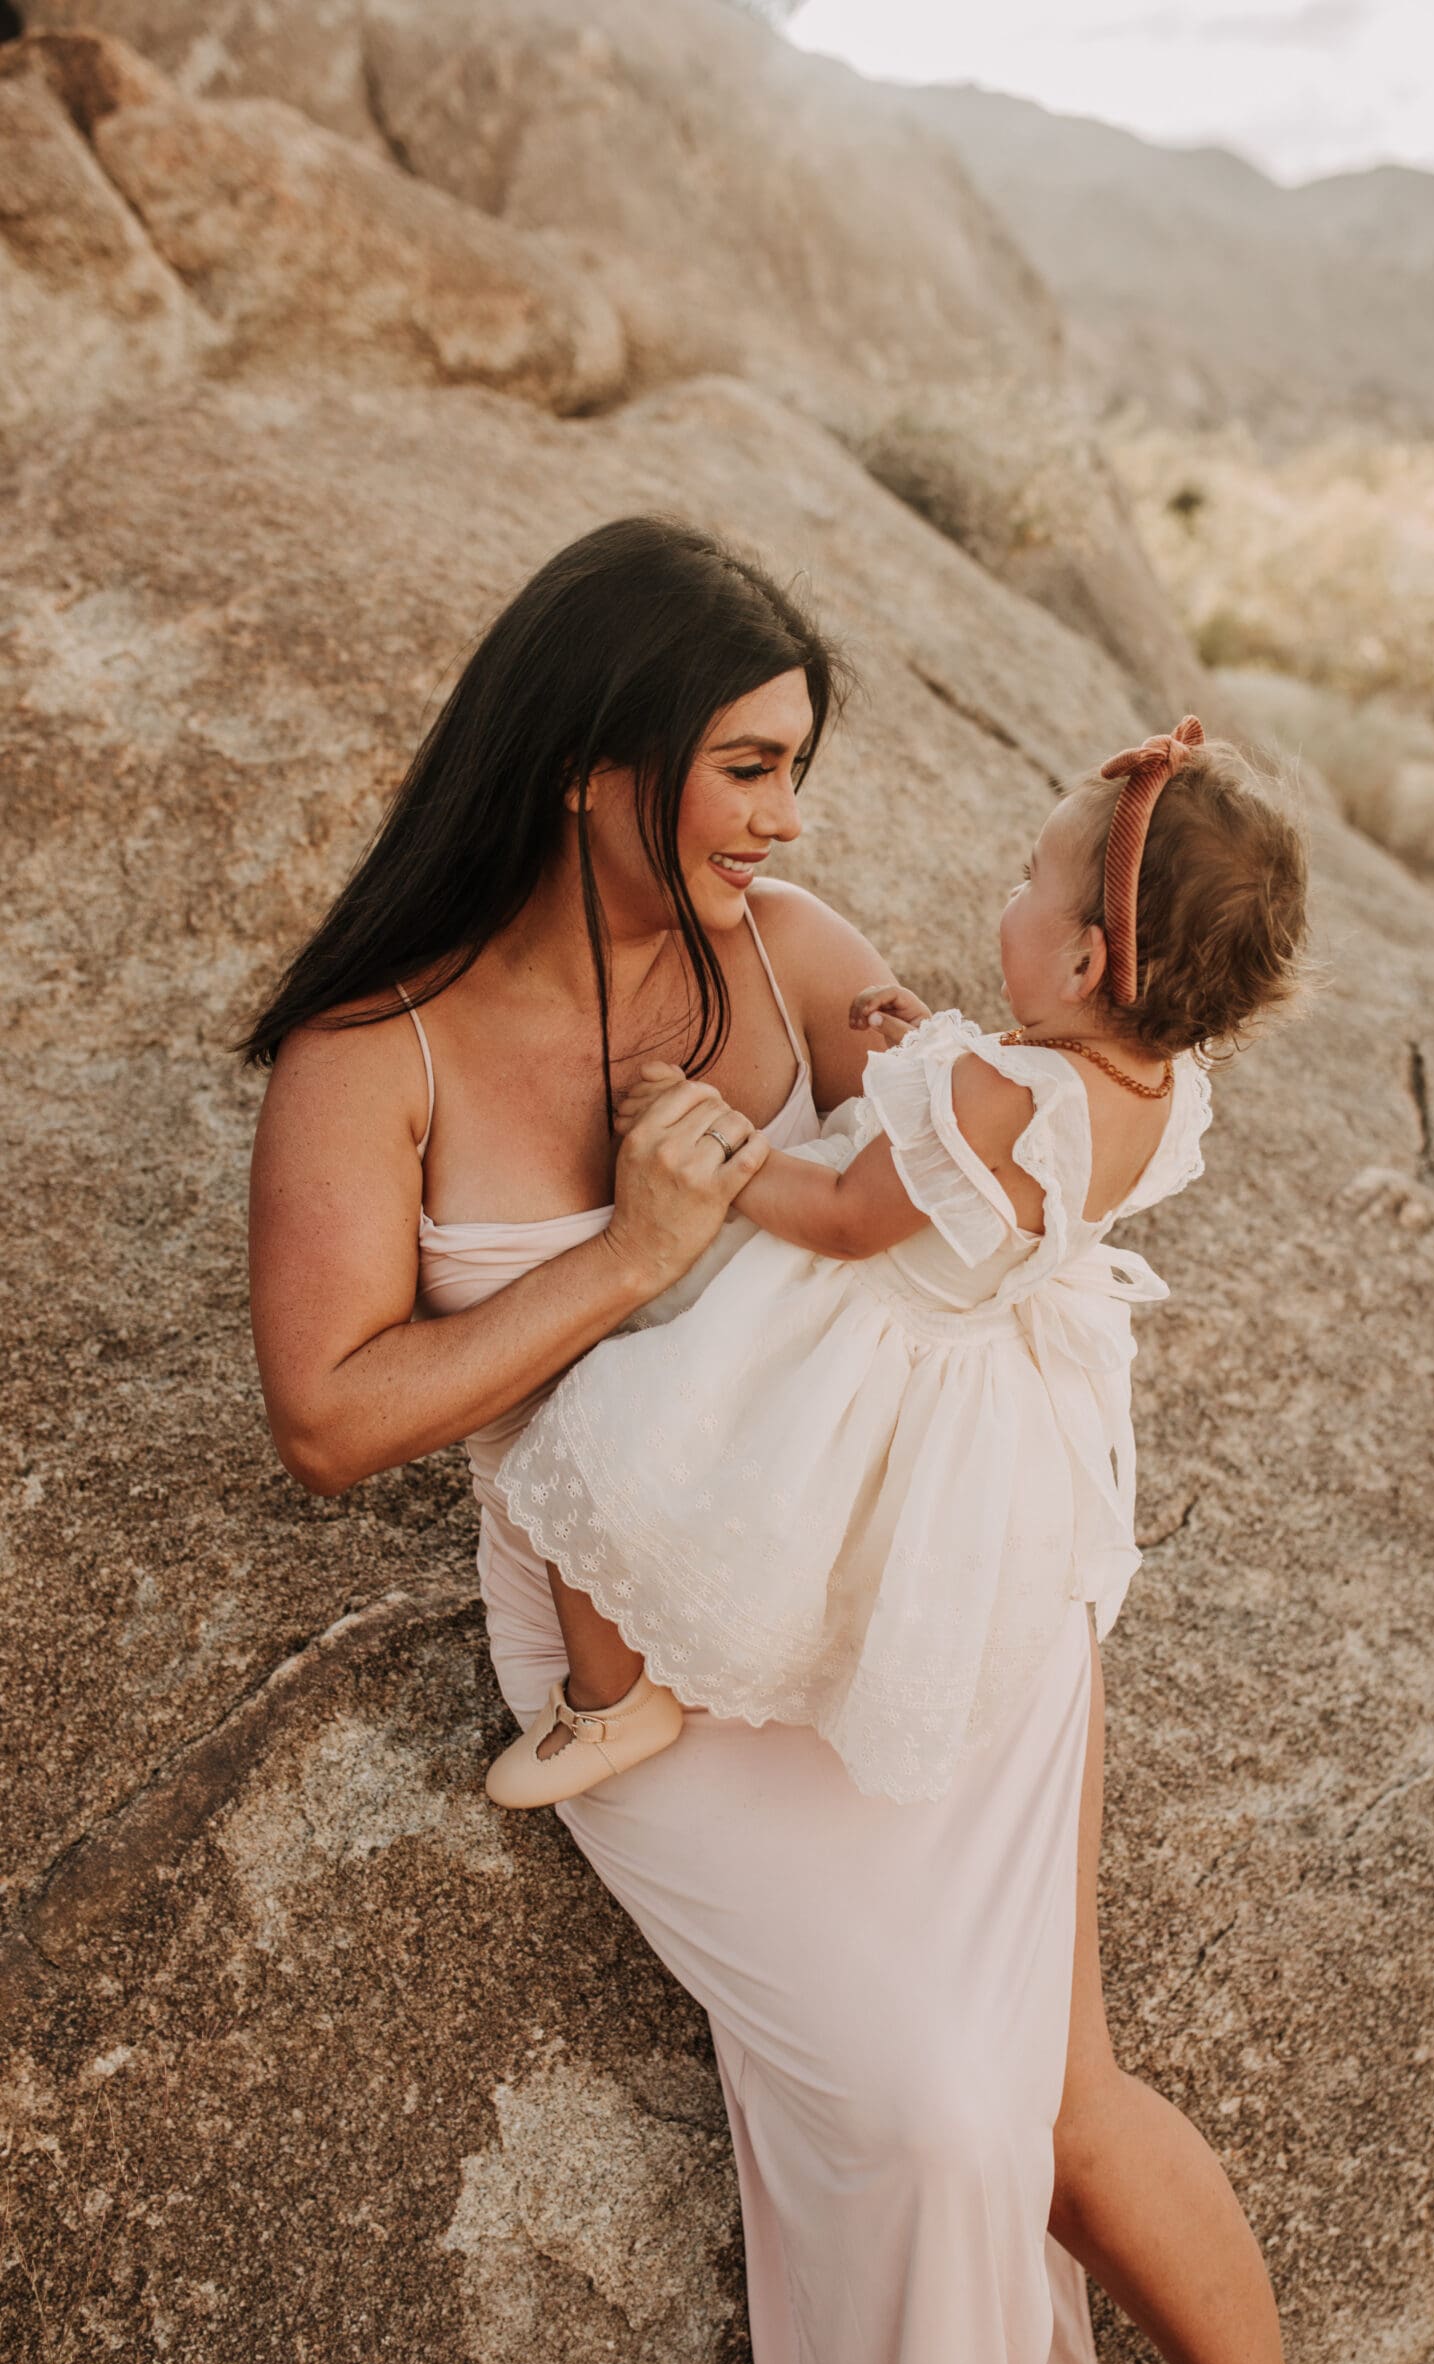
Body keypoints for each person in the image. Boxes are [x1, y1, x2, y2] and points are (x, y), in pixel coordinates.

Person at [247, 516, 1347, 2364]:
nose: (789, 812)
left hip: (908, 1582)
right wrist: (626, 1261)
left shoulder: (779, 944)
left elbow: (963, 1151)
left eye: (791, 762)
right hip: (645, 1628)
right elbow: (327, 1416)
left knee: (1028, 2096)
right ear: (595, 759)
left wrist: (933, 1114)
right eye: (747, 765)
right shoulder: (368, 1052)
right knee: (933, 2112)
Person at [487, 722, 1236, 1818]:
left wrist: (720, 1145)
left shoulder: (995, 1092)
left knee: (609, 1430)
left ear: (1083, 959)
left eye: (1029, 881)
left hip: (859, 1326)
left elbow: (844, 1218)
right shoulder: (1157, 1087)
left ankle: (611, 1701)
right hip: (970, 1359)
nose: (1011, 893)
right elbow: (1031, 1140)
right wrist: (940, 1047)